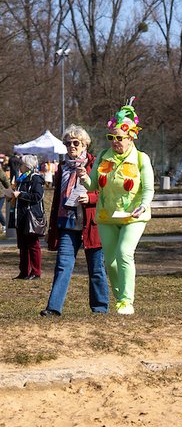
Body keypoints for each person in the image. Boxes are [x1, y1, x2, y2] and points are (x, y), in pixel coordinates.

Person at [81, 97, 154, 315]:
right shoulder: (103, 156)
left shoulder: (141, 159)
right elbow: (92, 184)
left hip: (134, 216)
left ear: (131, 138)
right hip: (107, 216)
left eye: (119, 138)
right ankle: (120, 295)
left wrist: (143, 205)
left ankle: (126, 301)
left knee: (124, 253)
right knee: (110, 262)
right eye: (111, 137)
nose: (115, 141)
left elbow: (149, 189)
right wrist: (82, 175)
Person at [41, 125, 109, 317]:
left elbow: (106, 192)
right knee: (62, 266)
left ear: (85, 144)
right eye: (68, 143)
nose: (71, 146)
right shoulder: (62, 167)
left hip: (91, 224)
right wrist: (52, 227)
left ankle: (100, 308)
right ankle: (53, 308)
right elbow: (57, 200)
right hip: (67, 225)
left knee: (96, 268)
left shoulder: (96, 163)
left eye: (75, 143)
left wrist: (91, 198)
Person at [5, 154, 46, 279]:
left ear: (27, 166)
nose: (19, 166)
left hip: (31, 215)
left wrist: (20, 194)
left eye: (21, 164)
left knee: (33, 245)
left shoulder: (36, 178)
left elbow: (37, 197)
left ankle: (35, 272)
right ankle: (23, 272)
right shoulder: (20, 179)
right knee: (22, 246)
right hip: (20, 214)